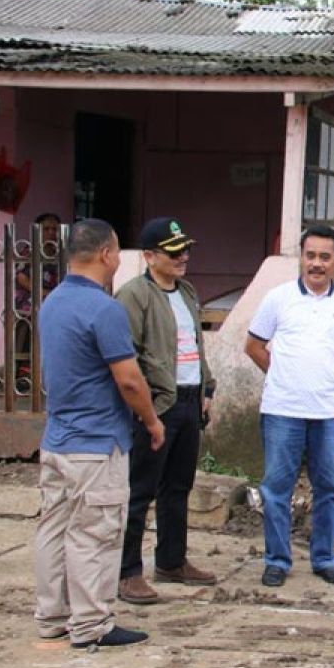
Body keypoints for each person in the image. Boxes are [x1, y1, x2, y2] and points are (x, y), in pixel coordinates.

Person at [33, 218, 165, 649]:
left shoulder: (52, 303)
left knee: (54, 530)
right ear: (108, 254)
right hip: (95, 443)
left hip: (57, 441)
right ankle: (91, 624)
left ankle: (53, 616)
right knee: (95, 533)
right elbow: (128, 379)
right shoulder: (104, 308)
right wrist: (151, 420)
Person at [244, 225, 334, 587]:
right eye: (310, 255)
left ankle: (325, 558)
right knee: (276, 488)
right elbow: (253, 345)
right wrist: (281, 373)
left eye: (324, 257)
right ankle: (277, 561)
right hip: (282, 411)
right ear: (301, 257)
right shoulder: (277, 299)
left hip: (330, 414)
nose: (316, 264)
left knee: (329, 488)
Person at [116, 217, 218, 605]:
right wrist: (145, 407)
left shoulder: (187, 291)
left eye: (185, 249)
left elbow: (196, 345)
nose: (183, 257)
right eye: (173, 252)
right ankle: (127, 573)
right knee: (139, 490)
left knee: (178, 486)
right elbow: (130, 356)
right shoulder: (133, 296)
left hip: (190, 401)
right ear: (148, 256)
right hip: (158, 403)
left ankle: (172, 560)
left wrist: (206, 387)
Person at [15, 212, 62, 378]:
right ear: (38, 230)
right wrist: (43, 293)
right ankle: (22, 376)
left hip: (55, 303)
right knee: (26, 333)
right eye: (46, 229)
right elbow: (21, 277)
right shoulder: (29, 250)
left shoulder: (62, 253)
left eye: (54, 229)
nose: (50, 233)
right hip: (29, 302)